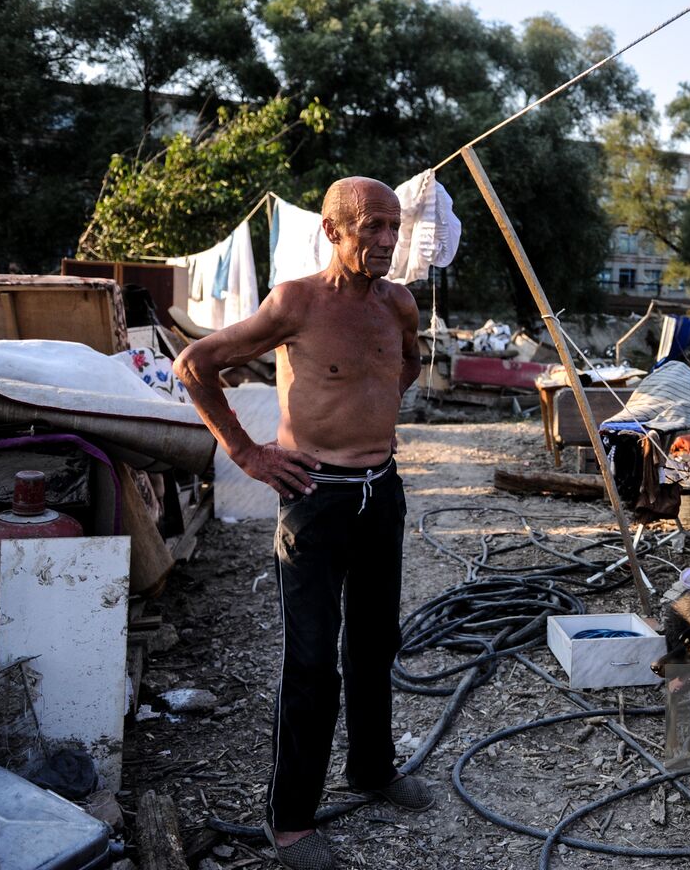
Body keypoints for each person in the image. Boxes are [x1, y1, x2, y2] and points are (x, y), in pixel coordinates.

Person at [174, 176, 429, 869]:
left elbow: (407, 363)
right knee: (312, 660)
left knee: (376, 642)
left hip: (383, 491)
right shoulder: (295, 303)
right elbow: (195, 364)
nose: (383, 241)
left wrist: (371, 407)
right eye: (370, 226)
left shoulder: (399, 302)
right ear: (334, 230)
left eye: (391, 228)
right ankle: (290, 819)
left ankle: (372, 771)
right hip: (315, 500)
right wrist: (250, 454)